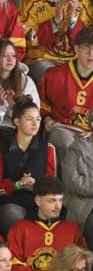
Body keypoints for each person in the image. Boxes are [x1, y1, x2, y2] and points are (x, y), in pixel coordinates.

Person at [19, 0, 93, 82]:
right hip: (43, 59)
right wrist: (55, 21)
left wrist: (73, 20)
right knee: (49, 74)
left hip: (74, 60)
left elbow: (89, 42)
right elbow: (27, 40)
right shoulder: (30, 2)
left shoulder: (82, 2)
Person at [7, 177, 84, 271]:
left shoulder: (72, 229)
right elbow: (11, 262)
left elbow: (83, 261)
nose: (58, 206)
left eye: (60, 200)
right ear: (38, 201)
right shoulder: (20, 228)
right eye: (52, 201)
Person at [0, 97, 56, 235]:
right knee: (11, 213)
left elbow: (51, 186)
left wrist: (36, 185)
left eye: (38, 119)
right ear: (17, 122)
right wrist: (18, 184)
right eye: (29, 119)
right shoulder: (2, 146)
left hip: (36, 201)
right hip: (9, 200)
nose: (35, 124)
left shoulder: (47, 148)